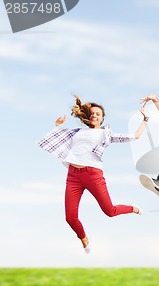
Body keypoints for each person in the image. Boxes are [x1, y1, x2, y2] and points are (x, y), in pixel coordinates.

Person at [38, 96, 148, 253]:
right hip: (73, 176)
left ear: (102, 118)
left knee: (110, 211)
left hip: (93, 175)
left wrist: (145, 119)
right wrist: (57, 125)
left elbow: (135, 136)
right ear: (88, 116)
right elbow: (59, 138)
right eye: (92, 113)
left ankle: (132, 208)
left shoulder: (106, 135)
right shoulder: (77, 132)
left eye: (98, 114)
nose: (94, 115)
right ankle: (83, 238)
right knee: (70, 217)